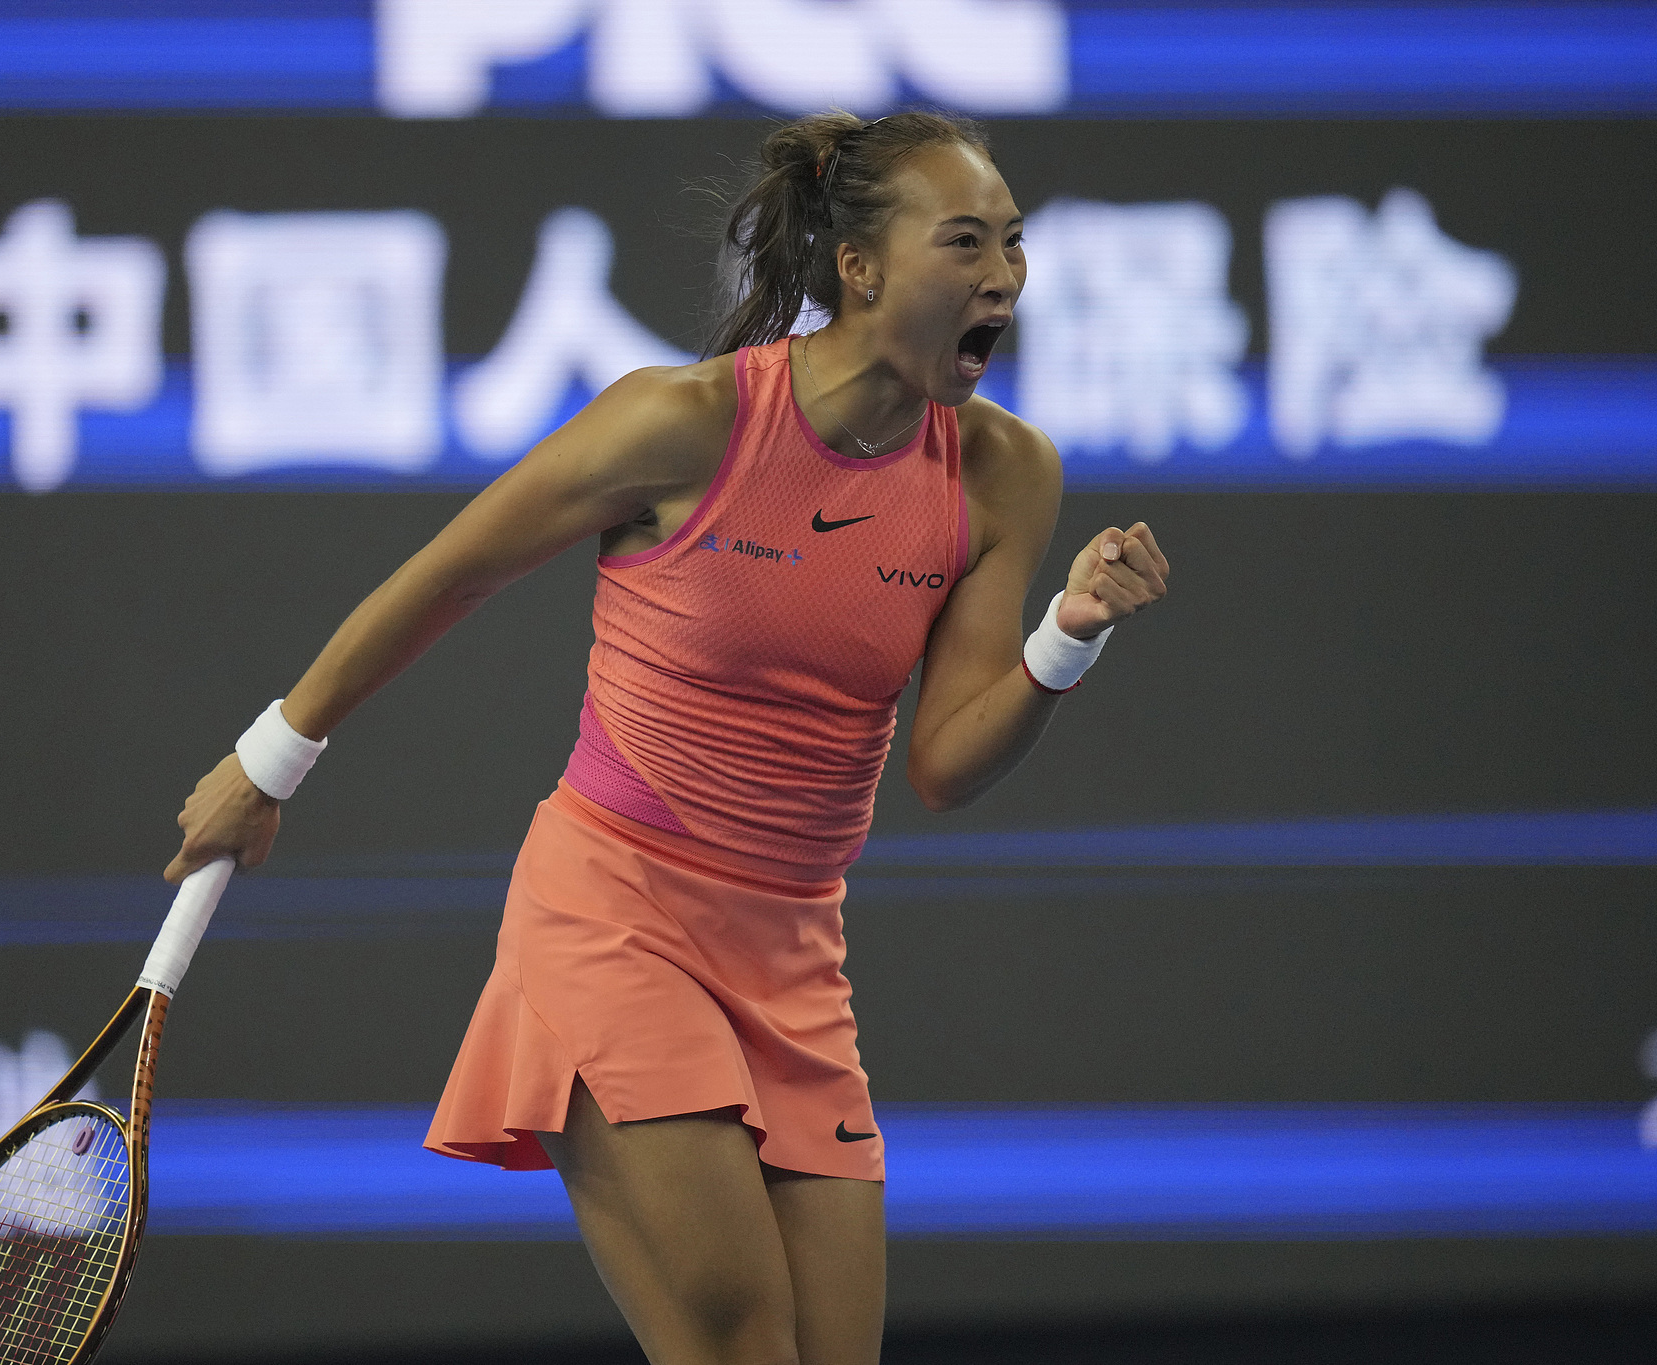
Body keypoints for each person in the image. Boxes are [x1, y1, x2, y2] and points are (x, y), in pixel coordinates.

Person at [165, 109, 1170, 1365]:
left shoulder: (999, 471)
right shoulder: (681, 423)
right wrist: (267, 765)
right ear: (857, 268)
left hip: (796, 950)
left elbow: (945, 762)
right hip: (616, 916)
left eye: (1013, 245)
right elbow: (447, 577)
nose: (1001, 278)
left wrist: (1066, 635)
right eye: (962, 242)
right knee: (744, 1339)